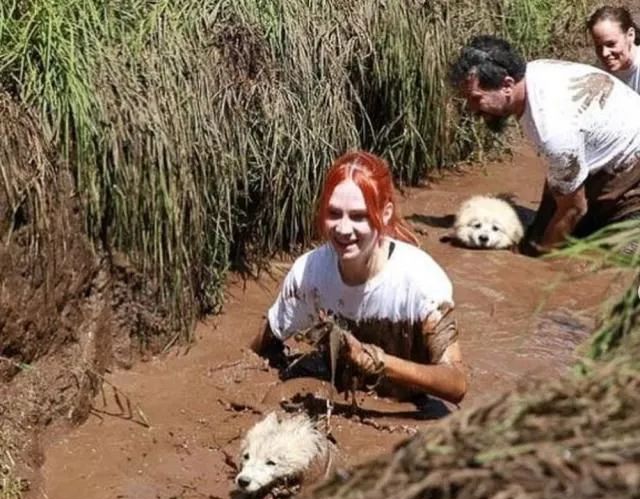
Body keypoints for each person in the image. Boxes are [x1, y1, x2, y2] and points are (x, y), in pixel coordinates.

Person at [251, 150, 467, 405]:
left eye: (358, 216)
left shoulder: (421, 282)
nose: (343, 229)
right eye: (333, 213)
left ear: (385, 214)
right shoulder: (310, 273)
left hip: (407, 403)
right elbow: (263, 344)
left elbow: (456, 383)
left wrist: (375, 361)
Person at [449, 35, 640, 255]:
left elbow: (574, 209)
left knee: (616, 259)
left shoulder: (551, 129)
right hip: (611, 153)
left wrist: (538, 265)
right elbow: (560, 173)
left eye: (476, 98)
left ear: (507, 85)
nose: (472, 110)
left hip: (631, 168)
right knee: (539, 235)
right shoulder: (535, 72)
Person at [587, 6, 640, 93]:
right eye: (598, 46)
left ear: (630, 35)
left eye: (611, 44)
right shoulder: (600, 70)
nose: (604, 53)